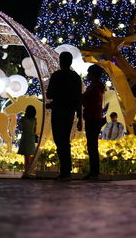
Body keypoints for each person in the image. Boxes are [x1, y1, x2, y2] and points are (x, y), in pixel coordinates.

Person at [46, 51, 82, 181]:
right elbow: (79, 99)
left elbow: (49, 94)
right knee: (65, 140)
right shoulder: (76, 77)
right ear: (71, 62)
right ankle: (66, 169)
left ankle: (65, 169)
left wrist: (56, 98)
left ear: (60, 62)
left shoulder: (56, 76)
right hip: (70, 112)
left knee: (59, 140)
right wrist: (79, 118)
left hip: (58, 111)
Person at [82, 65, 105, 180]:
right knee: (92, 145)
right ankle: (93, 171)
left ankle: (94, 171)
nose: (87, 74)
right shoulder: (95, 87)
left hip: (92, 118)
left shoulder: (94, 88)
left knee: (92, 145)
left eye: (89, 72)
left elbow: (89, 101)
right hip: (92, 118)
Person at [17, 105, 37, 178]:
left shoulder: (23, 119)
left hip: (25, 138)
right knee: (30, 155)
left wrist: (19, 123)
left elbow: (21, 128)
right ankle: (29, 171)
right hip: (31, 138)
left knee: (26, 157)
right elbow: (35, 131)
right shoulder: (34, 120)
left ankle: (26, 172)